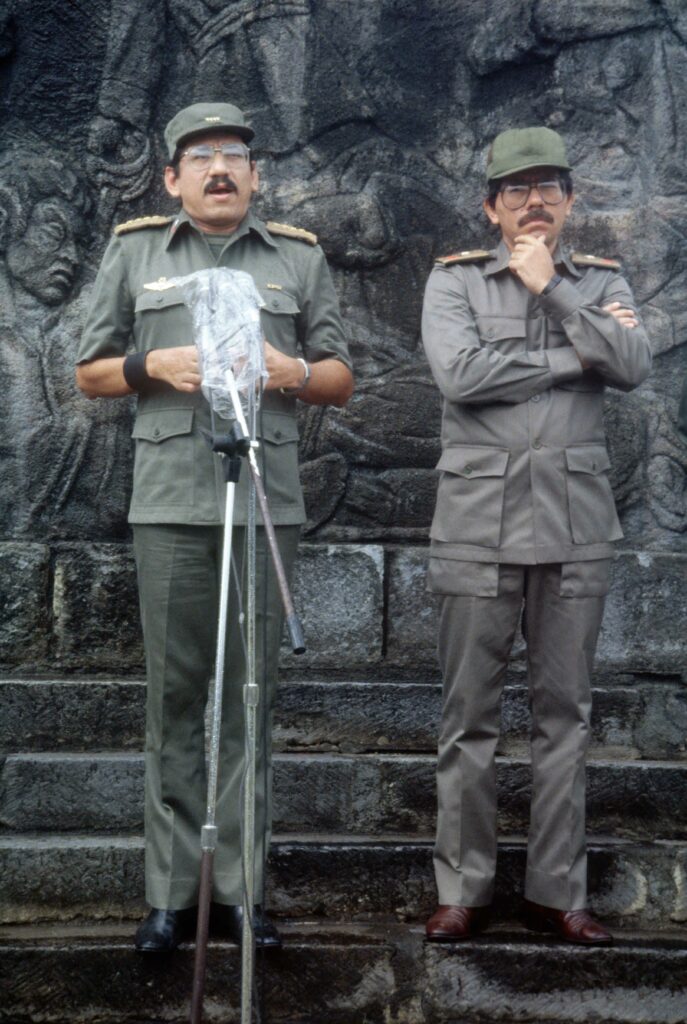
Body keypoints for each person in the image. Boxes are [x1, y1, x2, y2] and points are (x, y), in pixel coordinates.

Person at [76, 102, 353, 952]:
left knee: (250, 703)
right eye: (200, 158)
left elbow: (341, 376)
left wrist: (294, 371)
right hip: (169, 505)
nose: (219, 169)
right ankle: (169, 894)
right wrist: (148, 364)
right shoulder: (135, 253)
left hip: (265, 502)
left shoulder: (296, 260)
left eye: (234, 154)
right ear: (172, 177)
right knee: (175, 702)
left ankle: (238, 893)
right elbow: (88, 374)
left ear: (256, 175)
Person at [421, 126, 651, 945]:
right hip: (476, 526)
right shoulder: (451, 284)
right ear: (489, 207)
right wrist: (571, 352)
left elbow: (630, 365)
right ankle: (464, 890)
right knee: (469, 720)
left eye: (548, 186)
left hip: (574, 526)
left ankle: (558, 893)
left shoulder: (600, 279)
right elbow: (462, 376)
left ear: (570, 202)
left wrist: (554, 290)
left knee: (565, 718)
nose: (532, 201)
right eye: (514, 190)